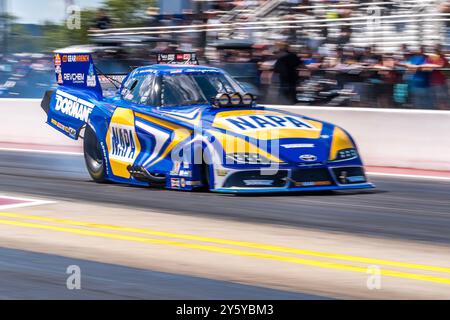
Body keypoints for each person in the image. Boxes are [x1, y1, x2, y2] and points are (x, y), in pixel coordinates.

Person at [427, 44, 450, 110]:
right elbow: (427, 67)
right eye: (436, 49)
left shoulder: (442, 57)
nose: (437, 50)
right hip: (436, 81)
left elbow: (443, 65)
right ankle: (441, 110)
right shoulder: (431, 57)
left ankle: (444, 109)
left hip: (443, 80)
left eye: (439, 48)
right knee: (439, 98)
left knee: (444, 97)